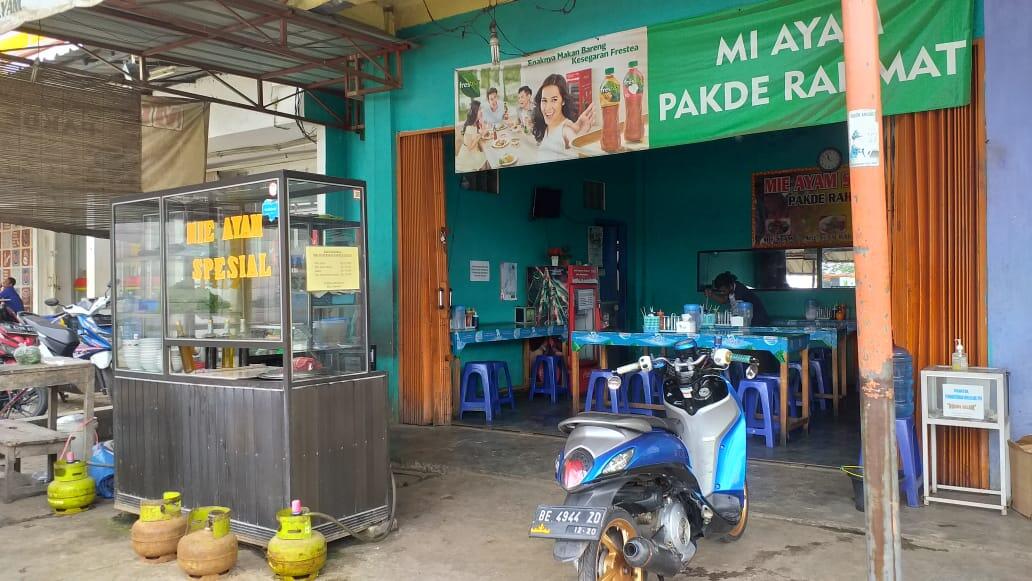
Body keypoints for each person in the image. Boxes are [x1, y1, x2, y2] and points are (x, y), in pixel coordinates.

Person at [531, 74, 595, 162]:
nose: (547, 107)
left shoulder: (567, 129)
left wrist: (580, 137)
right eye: (544, 100)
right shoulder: (549, 124)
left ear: (563, 101)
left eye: (554, 100)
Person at [705, 271, 770, 326]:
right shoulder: (731, 289)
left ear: (730, 286)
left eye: (723, 291)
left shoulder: (740, 291)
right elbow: (724, 300)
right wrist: (712, 295)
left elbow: (738, 315)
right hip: (748, 321)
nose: (722, 293)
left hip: (758, 321)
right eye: (720, 291)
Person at [456, 100, 487, 172]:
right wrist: (480, 135)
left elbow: (484, 130)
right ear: (475, 112)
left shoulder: (475, 123)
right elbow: (469, 147)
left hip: (474, 152)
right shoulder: (470, 127)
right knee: (487, 158)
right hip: (468, 155)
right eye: (479, 109)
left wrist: (481, 120)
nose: (481, 111)